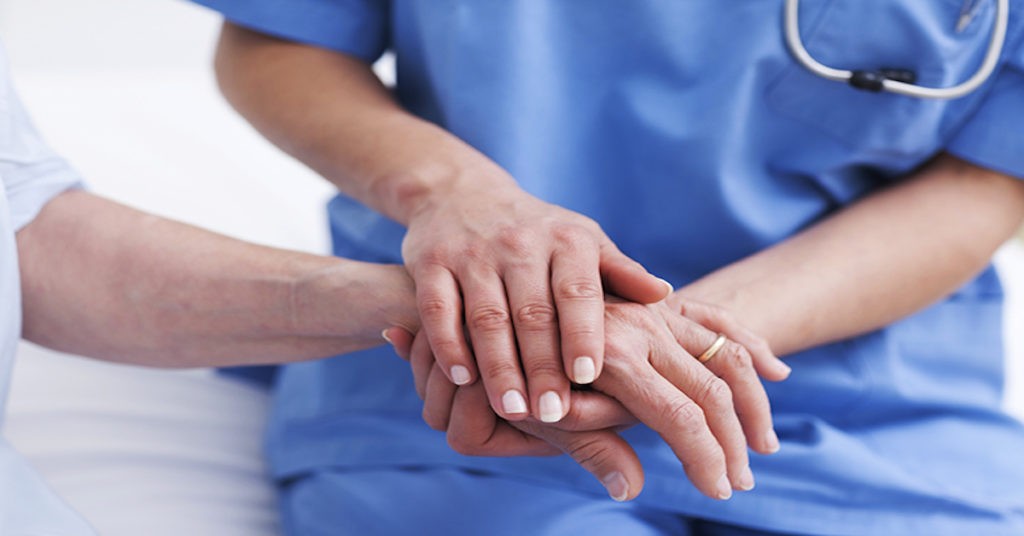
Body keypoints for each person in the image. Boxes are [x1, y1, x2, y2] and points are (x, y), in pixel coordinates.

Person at [196, 1, 1024, 534]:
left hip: (875, 406)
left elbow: (983, 180)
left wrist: (665, 338)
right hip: (465, 390)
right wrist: (458, 196)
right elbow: (276, 40)